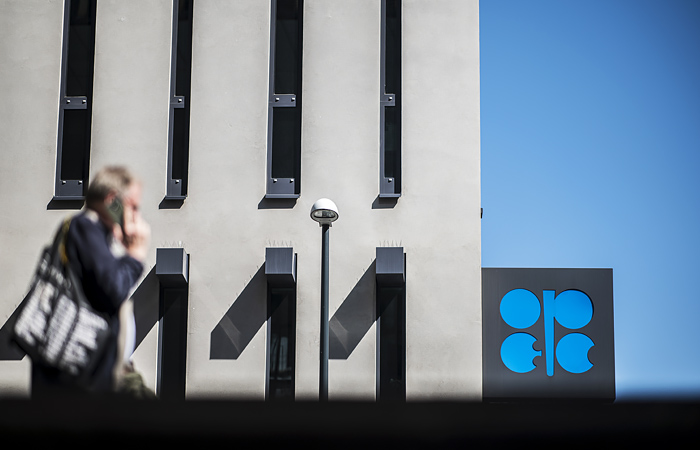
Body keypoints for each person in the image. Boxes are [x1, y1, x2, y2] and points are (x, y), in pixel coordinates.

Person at [31, 166, 150, 398]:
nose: (136, 215)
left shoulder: (95, 235)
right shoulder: (86, 227)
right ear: (113, 201)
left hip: (88, 374)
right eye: (133, 206)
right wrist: (136, 256)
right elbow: (114, 288)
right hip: (79, 378)